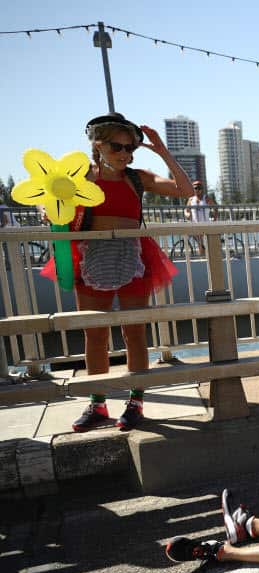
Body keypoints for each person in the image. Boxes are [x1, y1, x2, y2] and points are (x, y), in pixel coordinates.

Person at [53, 113, 193, 432]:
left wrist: (161, 150)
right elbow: (52, 204)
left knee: (135, 333)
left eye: (131, 148)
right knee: (95, 334)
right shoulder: (80, 178)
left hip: (134, 256)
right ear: (97, 144)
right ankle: (97, 404)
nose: (125, 154)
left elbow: (185, 190)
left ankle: (135, 403)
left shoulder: (137, 177)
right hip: (93, 256)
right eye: (118, 146)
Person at [183, 180, 216, 256]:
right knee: (200, 244)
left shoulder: (206, 198)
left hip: (206, 225)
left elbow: (215, 208)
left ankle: (209, 256)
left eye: (199, 188)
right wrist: (187, 215)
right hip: (195, 225)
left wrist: (214, 219)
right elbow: (186, 210)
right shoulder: (191, 199)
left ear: (202, 189)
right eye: (195, 188)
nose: (197, 190)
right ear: (193, 189)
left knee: (207, 244)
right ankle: (202, 258)